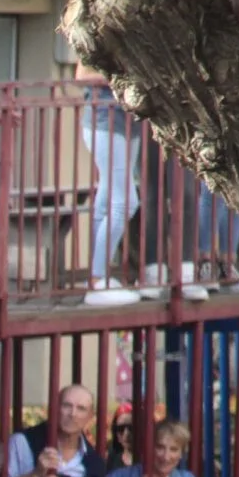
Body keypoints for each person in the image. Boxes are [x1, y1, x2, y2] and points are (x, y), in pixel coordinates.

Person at [78, 67, 142, 306]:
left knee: (107, 200)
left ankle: (99, 276)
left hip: (130, 119)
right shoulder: (99, 31)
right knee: (125, 202)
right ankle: (96, 281)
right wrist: (125, 77)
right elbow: (82, 75)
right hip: (104, 118)